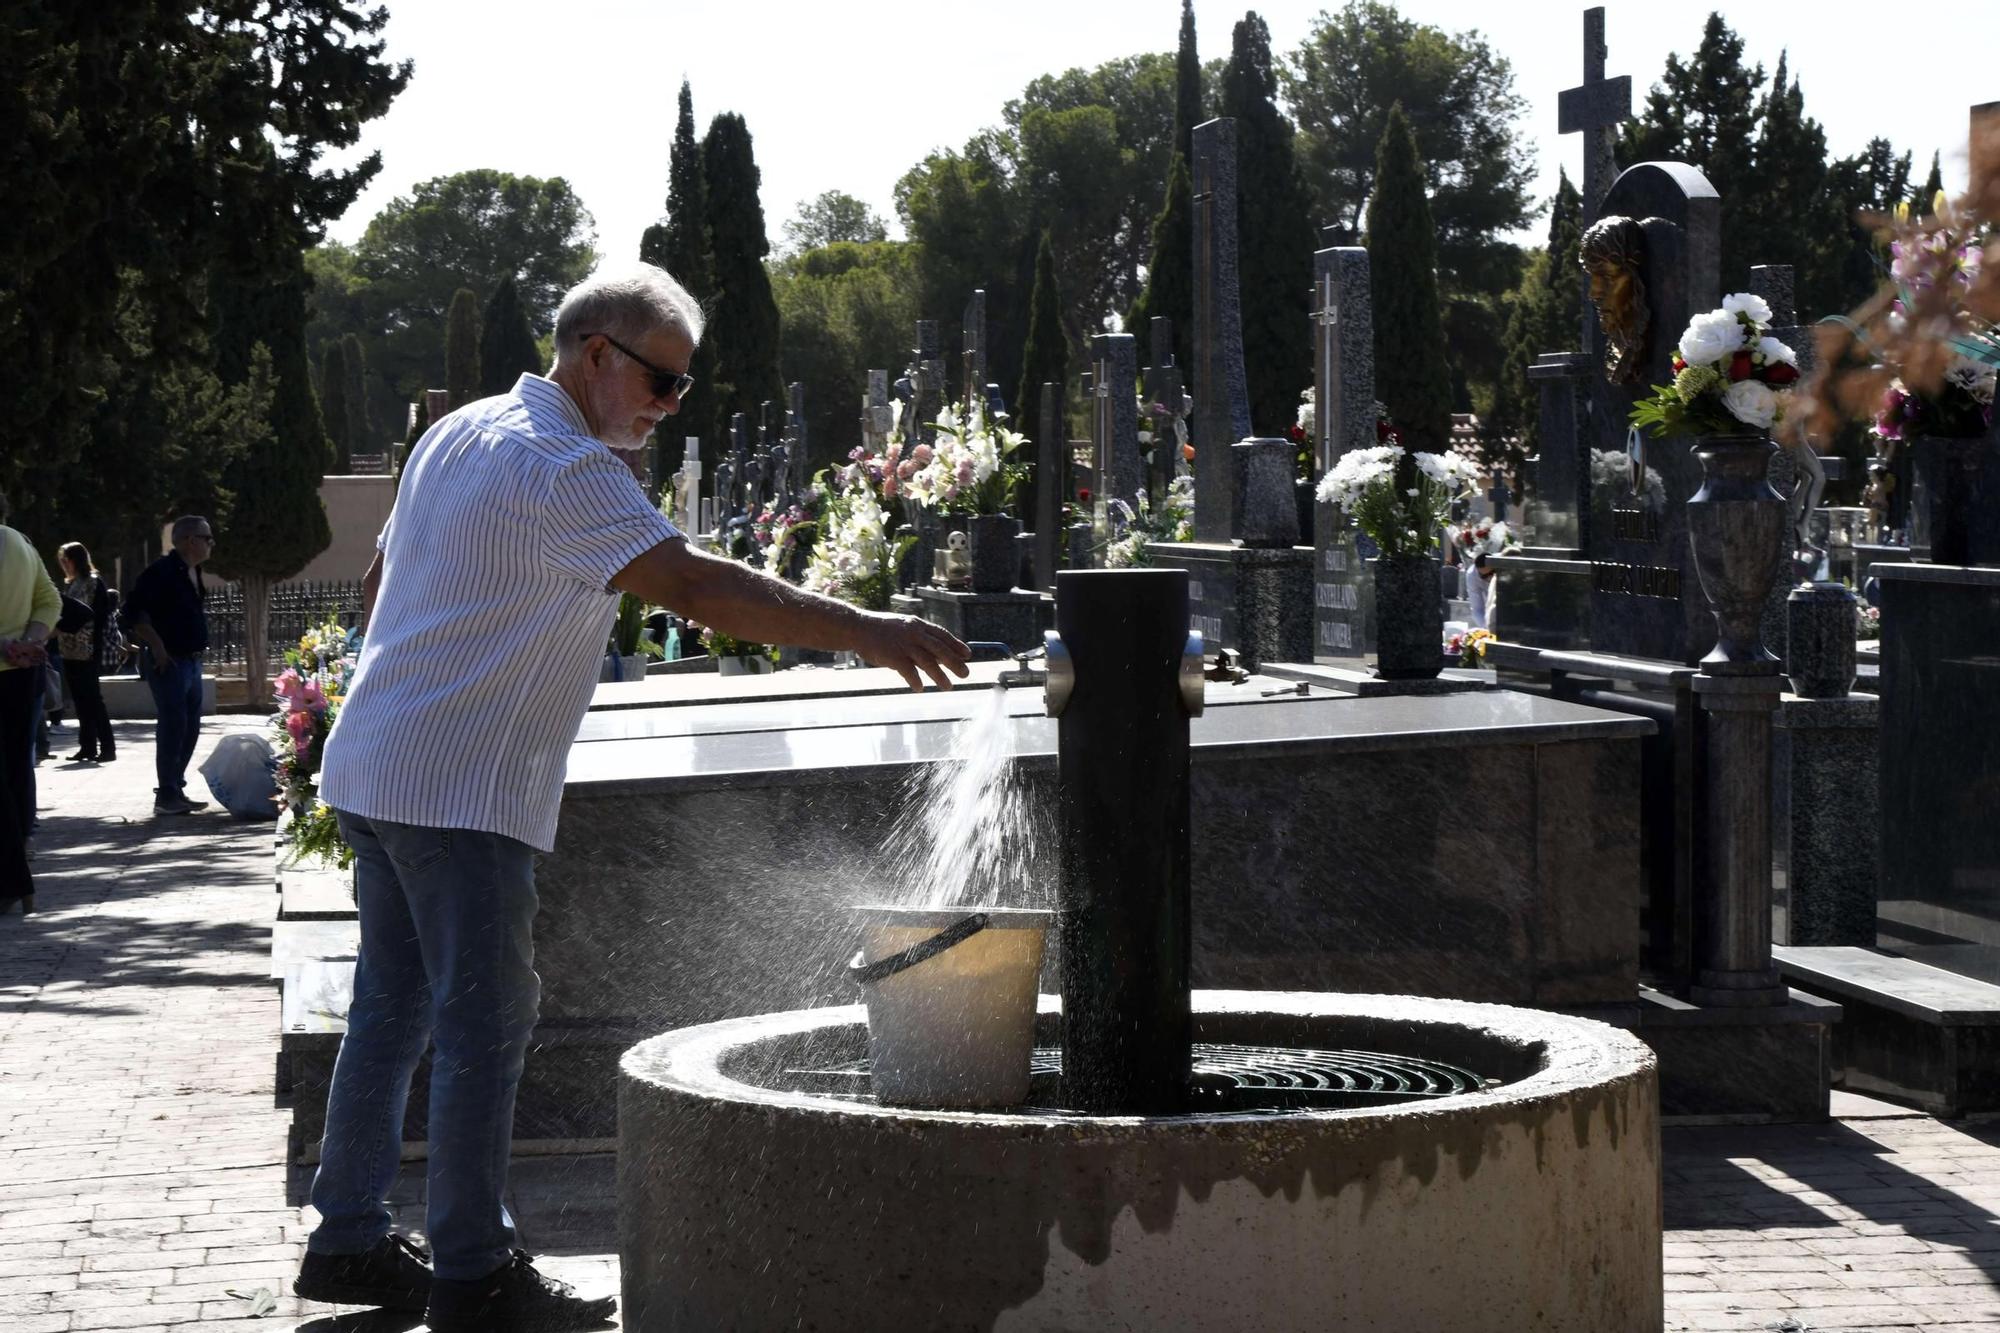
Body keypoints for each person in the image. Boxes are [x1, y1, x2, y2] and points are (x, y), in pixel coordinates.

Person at [294, 264, 970, 1333]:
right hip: (460, 786)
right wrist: (871, 630)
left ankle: (347, 1238)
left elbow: (381, 584)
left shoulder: (462, 429)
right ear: (595, 354)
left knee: (391, 1009)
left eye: (680, 391)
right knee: (484, 1021)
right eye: (660, 382)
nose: (666, 407)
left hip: (379, 765)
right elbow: (698, 588)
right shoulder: (563, 464)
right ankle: (476, 1274)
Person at [123, 516, 213, 814]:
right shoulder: (160, 573)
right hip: (170, 662)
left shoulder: (192, 571)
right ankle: (166, 795)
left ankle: (175, 787)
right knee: (173, 726)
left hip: (191, 660)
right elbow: (133, 614)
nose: (211, 544)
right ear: (191, 541)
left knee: (189, 727)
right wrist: (158, 647)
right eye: (207, 538)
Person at [0, 490, 60, 915]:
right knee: (18, 769)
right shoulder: (21, 544)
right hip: (22, 676)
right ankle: (19, 874)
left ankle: (11, 880)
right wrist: (31, 641)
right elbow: (50, 599)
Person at [57, 543, 115, 763]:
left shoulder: (93, 583)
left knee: (93, 699)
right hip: (69, 650)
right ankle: (87, 746)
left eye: (66, 561)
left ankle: (107, 747)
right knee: (80, 700)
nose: (64, 566)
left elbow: (98, 618)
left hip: (87, 650)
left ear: (74, 560)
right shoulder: (71, 585)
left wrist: (95, 648)